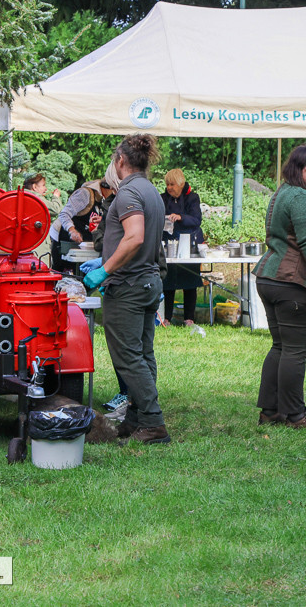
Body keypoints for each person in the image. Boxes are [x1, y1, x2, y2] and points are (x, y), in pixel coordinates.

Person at [83, 134, 171, 444]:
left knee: (128, 358)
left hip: (128, 285)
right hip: (147, 281)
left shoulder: (128, 193)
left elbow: (133, 237)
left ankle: (153, 422)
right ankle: (136, 418)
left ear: (120, 161)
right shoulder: (151, 191)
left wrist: (104, 270)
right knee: (143, 354)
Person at [253, 145, 306, 429]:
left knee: (280, 347)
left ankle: (271, 411)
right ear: (299, 169)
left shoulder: (283, 193)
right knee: (294, 351)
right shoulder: (300, 197)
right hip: (292, 283)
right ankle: (295, 415)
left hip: (270, 278)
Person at [161, 168, 205, 326]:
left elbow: (196, 220)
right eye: (167, 184)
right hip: (169, 245)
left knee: (190, 281)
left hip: (189, 244)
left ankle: (189, 318)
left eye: (172, 184)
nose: (169, 188)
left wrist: (180, 218)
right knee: (168, 281)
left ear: (180, 184)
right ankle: (166, 317)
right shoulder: (163, 198)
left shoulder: (192, 198)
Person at [53, 172, 114, 271]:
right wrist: (72, 230)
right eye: (114, 191)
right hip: (64, 237)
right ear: (107, 188)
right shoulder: (85, 194)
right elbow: (64, 214)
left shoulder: (103, 200)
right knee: (63, 271)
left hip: (83, 241)